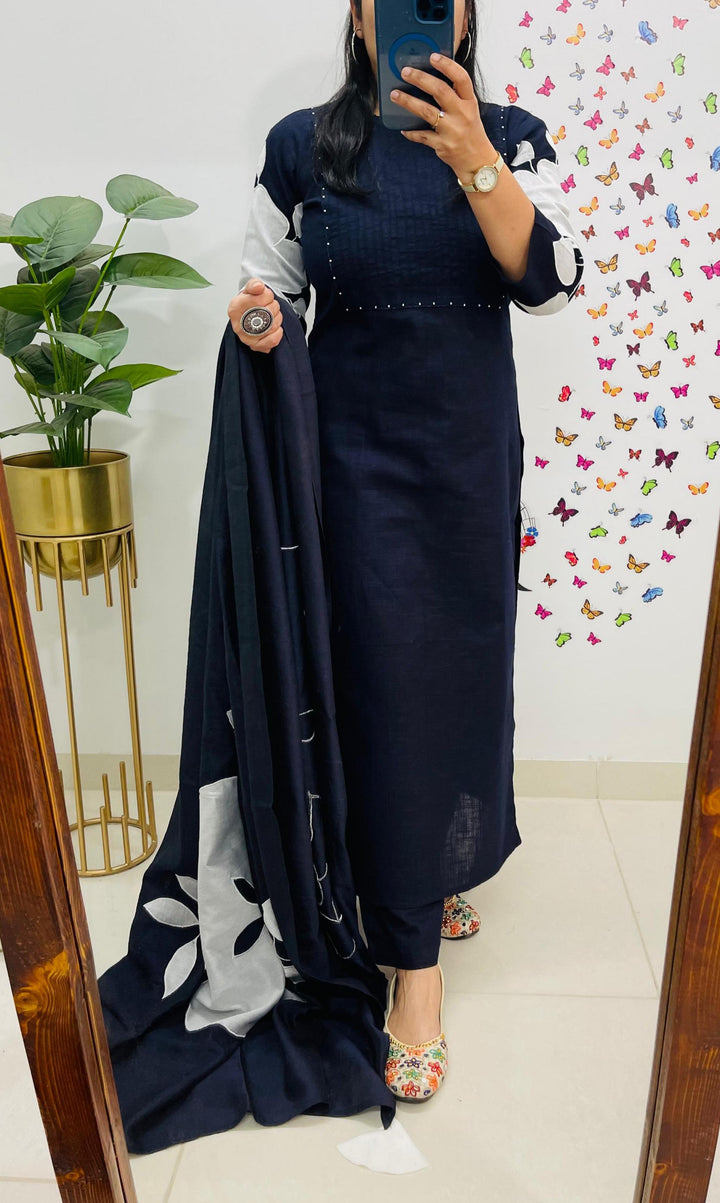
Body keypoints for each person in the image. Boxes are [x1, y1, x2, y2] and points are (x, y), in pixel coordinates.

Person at [228, 0, 584, 1102]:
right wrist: (256, 317)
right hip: (350, 459)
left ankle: (433, 870)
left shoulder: (511, 132)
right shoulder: (304, 144)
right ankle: (410, 967)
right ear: (360, 14)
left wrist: (477, 158)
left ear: (467, 17)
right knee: (379, 682)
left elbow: (554, 279)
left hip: (467, 458)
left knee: (458, 681)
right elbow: (270, 286)